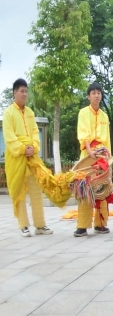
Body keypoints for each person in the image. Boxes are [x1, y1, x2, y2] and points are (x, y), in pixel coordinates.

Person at [3, 79, 52, 237]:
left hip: (32, 158)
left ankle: (40, 225)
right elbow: (9, 138)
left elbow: (35, 132)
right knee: (19, 192)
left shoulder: (30, 112)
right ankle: (24, 225)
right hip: (16, 159)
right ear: (14, 93)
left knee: (36, 191)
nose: (24, 94)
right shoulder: (9, 113)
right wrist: (23, 148)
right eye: (21, 91)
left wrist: (34, 148)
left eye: (26, 91)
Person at [75, 83, 113, 237]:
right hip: (87, 154)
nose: (96, 95)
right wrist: (90, 151)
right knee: (85, 188)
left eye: (99, 92)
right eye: (93, 93)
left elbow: (107, 139)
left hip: (102, 155)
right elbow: (83, 133)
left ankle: (101, 223)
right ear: (88, 96)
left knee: (102, 188)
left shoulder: (104, 116)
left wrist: (108, 157)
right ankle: (82, 226)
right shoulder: (83, 113)